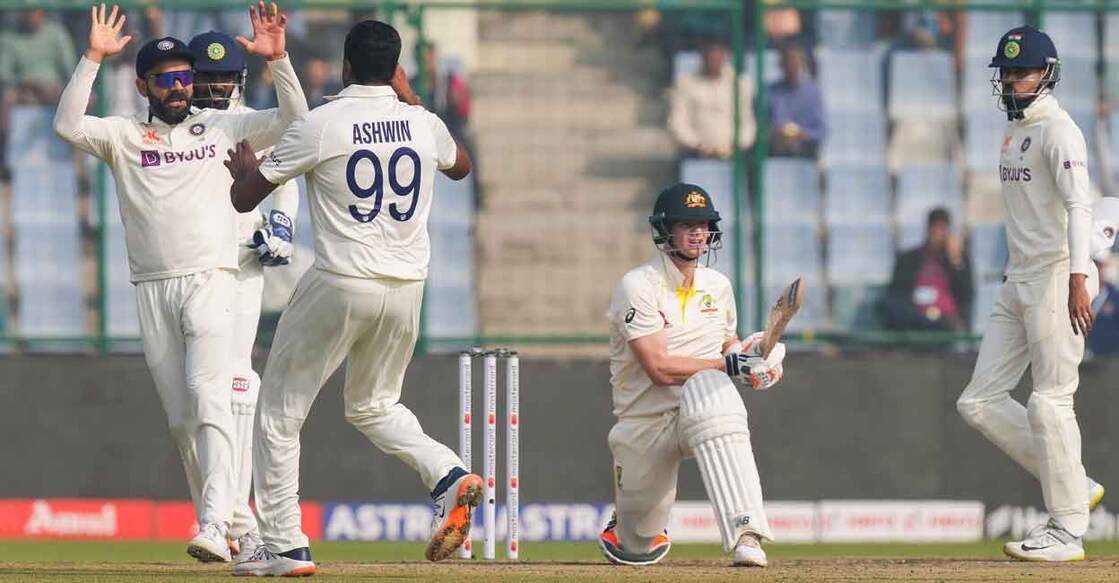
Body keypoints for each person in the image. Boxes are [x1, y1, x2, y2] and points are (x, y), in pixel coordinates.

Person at [53, 2, 307, 563]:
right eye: (167, 79)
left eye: (186, 78)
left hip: (213, 281)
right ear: (144, 85)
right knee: (182, 420)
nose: (179, 87)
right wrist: (93, 58)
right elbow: (68, 124)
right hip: (152, 288)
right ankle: (242, 531)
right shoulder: (123, 137)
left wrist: (280, 61)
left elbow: (295, 122)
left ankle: (214, 524)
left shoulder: (221, 126)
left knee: (212, 396)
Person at [223, 19, 475, 576]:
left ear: (344, 67)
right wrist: (409, 97)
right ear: (396, 69)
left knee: (278, 415)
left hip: (340, 280)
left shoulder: (322, 124)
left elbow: (245, 200)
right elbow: (462, 166)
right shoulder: (422, 122)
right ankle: (448, 475)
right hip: (408, 289)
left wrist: (243, 170)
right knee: (374, 404)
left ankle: (285, 545)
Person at [956, 26, 1105, 562]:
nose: (1014, 81)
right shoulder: (1016, 132)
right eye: (1008, 73)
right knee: (977, 402)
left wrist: (1079, 276)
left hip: (1055, 276)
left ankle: (1067, 529)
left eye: (1023, 72)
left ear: (1048, 73)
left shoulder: (1059, 132)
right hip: (1017, 278)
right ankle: (1075, 481)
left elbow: (1079, 207)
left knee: (1050, 402)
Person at [598, 183, 787, 568]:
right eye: (688, 224)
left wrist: (754, 365)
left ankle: (745, 533)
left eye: (704, 224)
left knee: (714, 390)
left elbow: (727, 347)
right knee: (637, 546)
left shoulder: (718, 287)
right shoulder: (638, 286)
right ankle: (631, 524)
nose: (698, 233)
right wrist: (730, 365)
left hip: (698, 410)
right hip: (644, 423)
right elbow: (659, 368)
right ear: (664, 231)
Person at [186, 29, 303, 561]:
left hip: (244, 266)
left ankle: (238, 519)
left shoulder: (254, 122)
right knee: (199, 401)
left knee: (239, 385)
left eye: (221, 78)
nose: (212, 87)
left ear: (239, 79)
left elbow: (287, 172)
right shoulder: (175, 131)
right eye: (204, 78)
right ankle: (232, 517)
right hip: (191, 271)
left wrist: (280, 225)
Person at [881, 208, 973, 332]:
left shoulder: (957, 261)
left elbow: (966, 295)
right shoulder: (909, 258)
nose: (938, 233)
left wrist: (956, 261)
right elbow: (896, 293)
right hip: (914, 315)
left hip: (943, 319)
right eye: (935, 227)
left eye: (942, 228)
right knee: (886, 306)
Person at [667, 40, 755, 159]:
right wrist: (697, 145)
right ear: (702, 57)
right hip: (696, 153)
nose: (714, 60)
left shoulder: (741, 83)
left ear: (725, 56)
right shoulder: (685, 83)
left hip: (734, 153)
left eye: (718, 56)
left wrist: (737, 145)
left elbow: (748, 121)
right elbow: (677, 121)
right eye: (710, 56)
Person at [767, 44, 824, 159]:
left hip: (803, 147)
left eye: (796, 61)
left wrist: (804, 133)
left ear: (802, 64)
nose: (792, 66)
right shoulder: (770, 92)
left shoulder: (813, 93)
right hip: (775, 146)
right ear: (781, 65)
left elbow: (822, 130)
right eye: (788, 61)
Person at [1087, 197, 1119, 355]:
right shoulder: (1078, 293)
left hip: (1108, 365)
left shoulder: (1115, 297)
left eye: (1100, 265)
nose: (1098, 269)